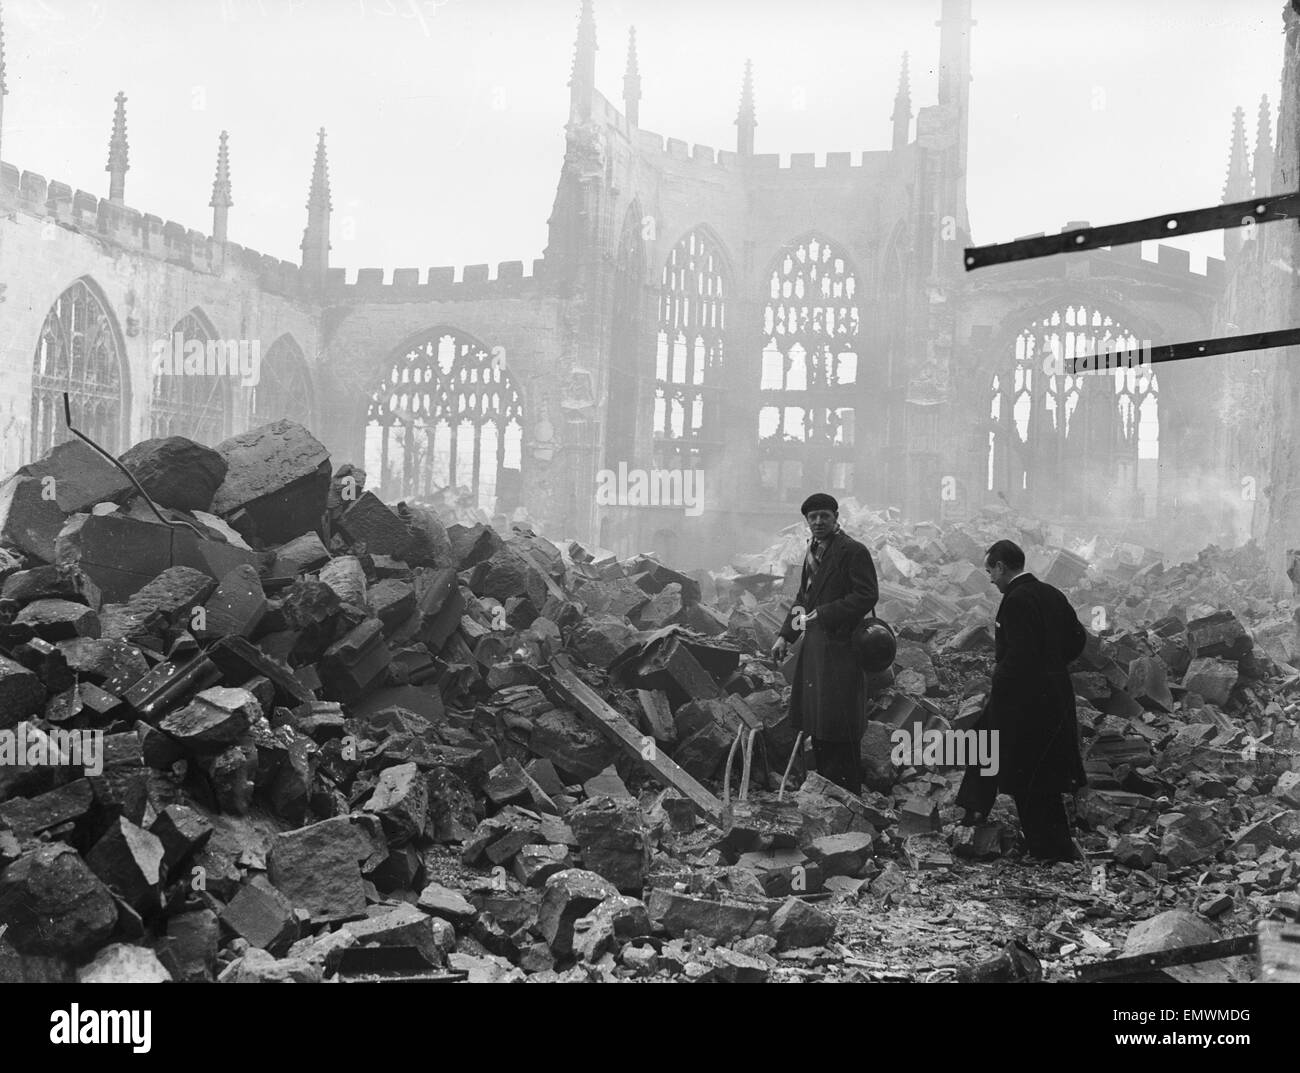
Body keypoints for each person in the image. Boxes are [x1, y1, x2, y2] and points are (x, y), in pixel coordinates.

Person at [956, 539, 1087, 862]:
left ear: (1001, 567)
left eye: (990, 571)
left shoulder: (1015, 600)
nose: (989, 579)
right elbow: (1078, 639)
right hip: (1054, 694)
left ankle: (1045, 848)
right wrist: (1053, 666)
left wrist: (1000, 685)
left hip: (1022, 700)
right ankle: (1051, 844)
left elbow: (1017, 656)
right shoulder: (1052, 594)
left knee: (1024, 771)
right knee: (1042, 771)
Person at [771, 493, 879, 795]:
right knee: (818, 721)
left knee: (840, 724)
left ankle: (847, 795)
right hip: (817, 648)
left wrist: (826, 613)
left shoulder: (853, 551)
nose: (818, 522)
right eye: (813, 517)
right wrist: (785, 635)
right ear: (807, 521)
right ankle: (827, 790)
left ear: (836, 518)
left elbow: (867, 595)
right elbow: (803, 600)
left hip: (843, 648)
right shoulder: (812, 550)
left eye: (824, 516)